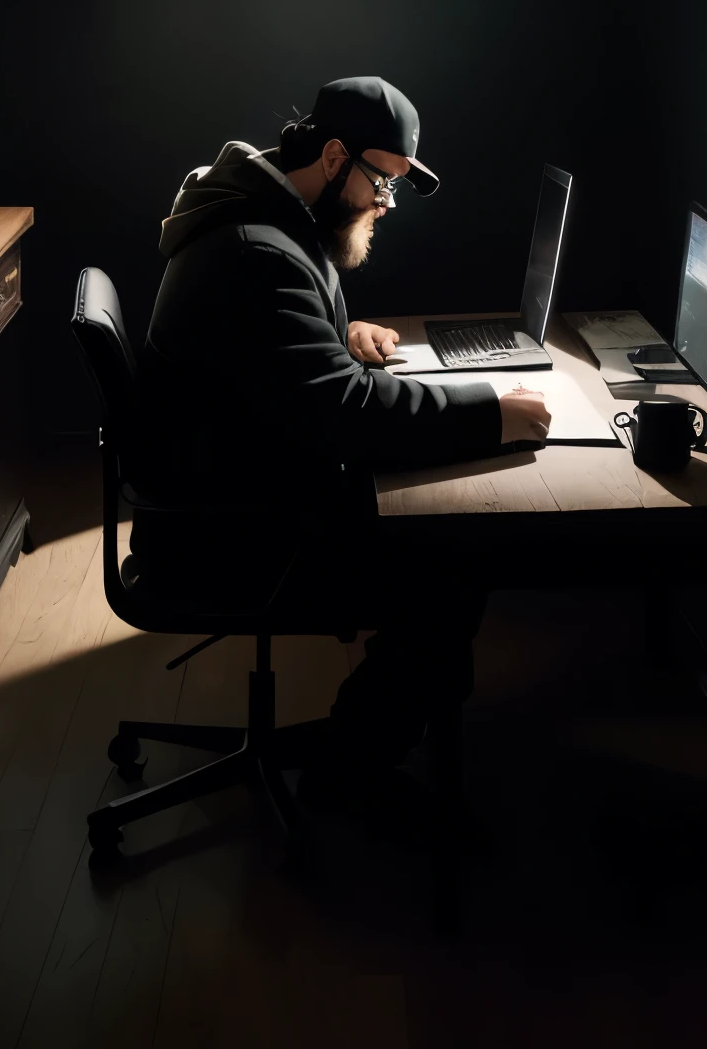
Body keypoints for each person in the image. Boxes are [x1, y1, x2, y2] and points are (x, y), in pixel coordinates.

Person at [134, 76, 551, 813]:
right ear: (334, 157)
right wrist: (491, 414)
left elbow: (280, 364)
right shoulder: (258, 252)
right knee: (451, 565)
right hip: (238, 531)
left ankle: (364, 743)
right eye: (380, 183)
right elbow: (347, 413)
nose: (383, 206)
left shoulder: (265, 212)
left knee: (442, 540)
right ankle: (348, 773)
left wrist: (336, 339)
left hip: (226, 484)